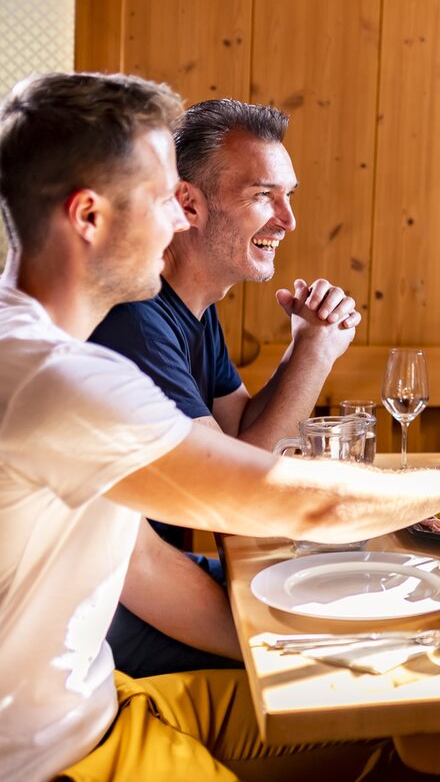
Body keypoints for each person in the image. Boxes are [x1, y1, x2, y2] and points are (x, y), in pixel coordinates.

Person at [0, 71, 440, 782]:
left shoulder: (41, 353)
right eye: (165, 199)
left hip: (107, 710)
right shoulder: (58, 377)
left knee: (391, 732)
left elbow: (139, 561)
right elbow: (284, 494)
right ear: (89, 216)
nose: (180, 222)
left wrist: (306, 640)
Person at [89, 98, 361, 676]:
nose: (288, 220)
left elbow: (240, 438)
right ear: (188, 203)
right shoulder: (133, 319)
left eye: (289, 196)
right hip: (108, 624)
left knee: (358, 604)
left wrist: (308, 347)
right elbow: (239, 495)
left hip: (154, 582)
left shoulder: (193, 307)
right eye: (264, 195)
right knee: (350, 661)